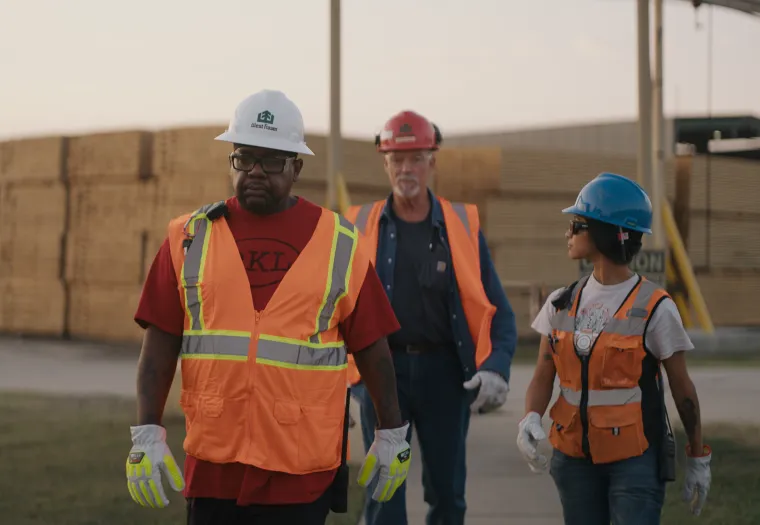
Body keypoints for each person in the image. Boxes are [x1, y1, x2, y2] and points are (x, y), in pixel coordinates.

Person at [125, 89, 413, 525]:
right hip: (214, 469)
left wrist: (391, 432)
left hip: (299, 473)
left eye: (273, 160)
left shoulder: (340, 243)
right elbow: (160, 344)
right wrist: (147, 431)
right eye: (245, 158)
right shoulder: (189, 237)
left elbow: (373, 347)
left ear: (297, 167)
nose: (256, 171)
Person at [343, 110, 518, 525]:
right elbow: (334, 309)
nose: (407, 169)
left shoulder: (461, 224)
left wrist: (495, 367)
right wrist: (341, 382)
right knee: (385, 492)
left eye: (417, 158)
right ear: (385, 162)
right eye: (398, 160)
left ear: (432, 161)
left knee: (448, 496)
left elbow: (499, 311)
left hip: (445, 375)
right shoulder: (357, 225)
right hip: (381, 374)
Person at [516, 172, 713, 525]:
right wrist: (530, 416)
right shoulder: (560, 303)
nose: (568, 233)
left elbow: (684, 390)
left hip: (634, 463)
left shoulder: (656, 307)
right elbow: (543, 375)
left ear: (604, 231)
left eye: (577, 224)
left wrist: (697, 457)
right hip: (574, 462)